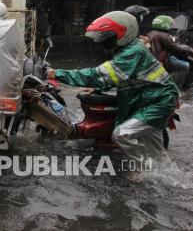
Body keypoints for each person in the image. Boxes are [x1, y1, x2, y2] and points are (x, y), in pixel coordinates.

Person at [47, 11, 179, 182]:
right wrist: (97, 88)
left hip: (157, 102)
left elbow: (98, 75)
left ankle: (143, 170)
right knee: (157, 154)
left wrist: (57, 73)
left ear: (123, 34)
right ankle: (168, 176)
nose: (102, 41)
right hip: (148, 99)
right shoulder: (127, 50)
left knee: (121, 134)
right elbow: (123, 76)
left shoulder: (133, 52)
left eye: (106, 36)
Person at [145, 15, 193, 90]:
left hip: (153, 60)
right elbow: (175, 49)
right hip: (161, 61)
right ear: (165, 24)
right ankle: (176, 89)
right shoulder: (164, 36)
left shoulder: (151, 33)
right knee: (185, 67)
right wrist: (189, 50)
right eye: (170, 24)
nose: (171, 26)